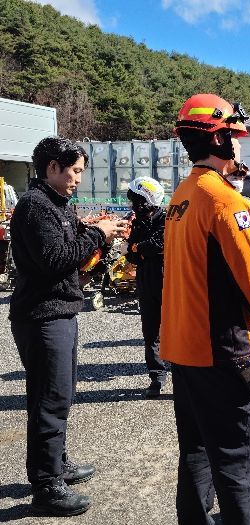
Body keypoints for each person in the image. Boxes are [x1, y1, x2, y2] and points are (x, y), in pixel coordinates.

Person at [160, 93, 250, 525]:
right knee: (240, 467)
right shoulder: (225, 201)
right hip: (224, 352)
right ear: (218, 138)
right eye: (235, 136)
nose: (240, 144)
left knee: (195, 451)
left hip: (183, 349)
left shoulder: (183, 194)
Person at [9, 137, 126, 516]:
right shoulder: (35, 206)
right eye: (74, 171)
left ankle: (57, 464)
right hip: (42, 316)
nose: (78, 178)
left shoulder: (56, 204)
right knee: (50, 401)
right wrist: (98, 233)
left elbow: (74, 253)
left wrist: (99, 238)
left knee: (61, 394)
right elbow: (56, 258)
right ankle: (46, 487)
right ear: (52, 167)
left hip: (60, 312)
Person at [125, 176, 167, 398]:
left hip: (168, 279)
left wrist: (138, 248)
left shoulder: (167, 218)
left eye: (137, 200)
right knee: (151, 331)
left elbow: (160, 243)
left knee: (176, 329)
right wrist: (140, 249)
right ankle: (157, 376)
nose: (133, 205)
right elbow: (130, 254)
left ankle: (184, 374)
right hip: (145, 280)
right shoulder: (138, 222)